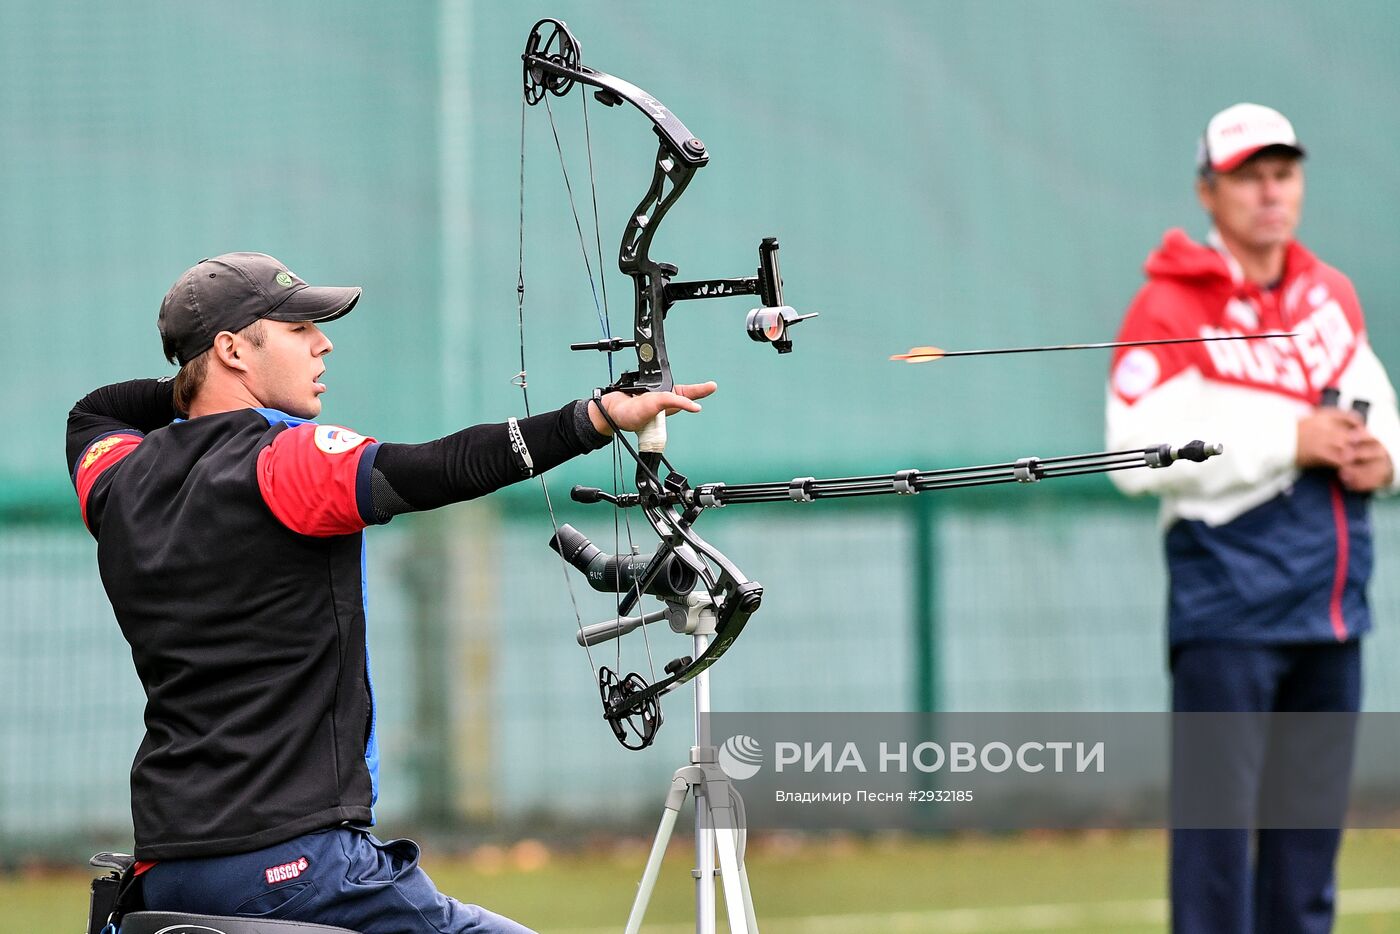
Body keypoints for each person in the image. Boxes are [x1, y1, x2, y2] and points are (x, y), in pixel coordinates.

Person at [66, 252, 715, 934]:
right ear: (233, 348)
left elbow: (96, 408)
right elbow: (438, 468)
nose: (323, 341)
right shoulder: (281, 464)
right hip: (298, 862)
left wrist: (193, 387)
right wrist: (595, 418)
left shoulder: (115, 480)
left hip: (168, 868)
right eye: (296, 328)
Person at [1105, 103, 1400, 934]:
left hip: (1332, 613)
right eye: (1249, 177)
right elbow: (1130, 450)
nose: (1270, 193)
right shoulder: (1167, 306)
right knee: (1217, 863)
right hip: (1228, 614)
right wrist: (1288, 438)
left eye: (1283, 174)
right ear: (1209, 191)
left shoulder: (1328, 293)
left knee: (1307, 868)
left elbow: (1378, 409)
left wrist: (1385, 457)